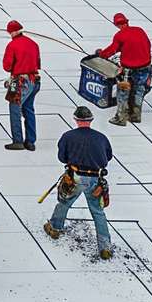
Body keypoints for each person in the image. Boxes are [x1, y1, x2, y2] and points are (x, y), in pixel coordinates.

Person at [43, 106, 115, 260]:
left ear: (76, 120)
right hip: (95, 178)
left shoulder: (68, 136)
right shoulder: (101, 138)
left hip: (75, 177)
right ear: (90, 120)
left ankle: (55, 228)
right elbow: (108, 157)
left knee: (64, 202)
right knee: (98, 211)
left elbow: (62, 158)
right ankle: (105, 247)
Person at [97, 13, 152, 126]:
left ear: (116, 24)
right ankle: (135, 115)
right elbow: (148, 45)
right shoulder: (140, 30)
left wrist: (101, 54)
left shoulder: (119, 36)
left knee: (123, 92)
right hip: (145, 67)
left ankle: (121, 118)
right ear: (127, 21)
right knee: (139, 90)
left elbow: (112, 50)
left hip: (129, 70)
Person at [2, 20, 41, 150]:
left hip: (18, 81)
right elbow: (38, 63)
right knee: (28, 109)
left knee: (14, 108)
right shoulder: (33, 43)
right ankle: (30, 141)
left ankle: (18, 141)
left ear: (11, 32)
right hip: (35, 80)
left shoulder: (12, 45)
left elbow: (7, 66)